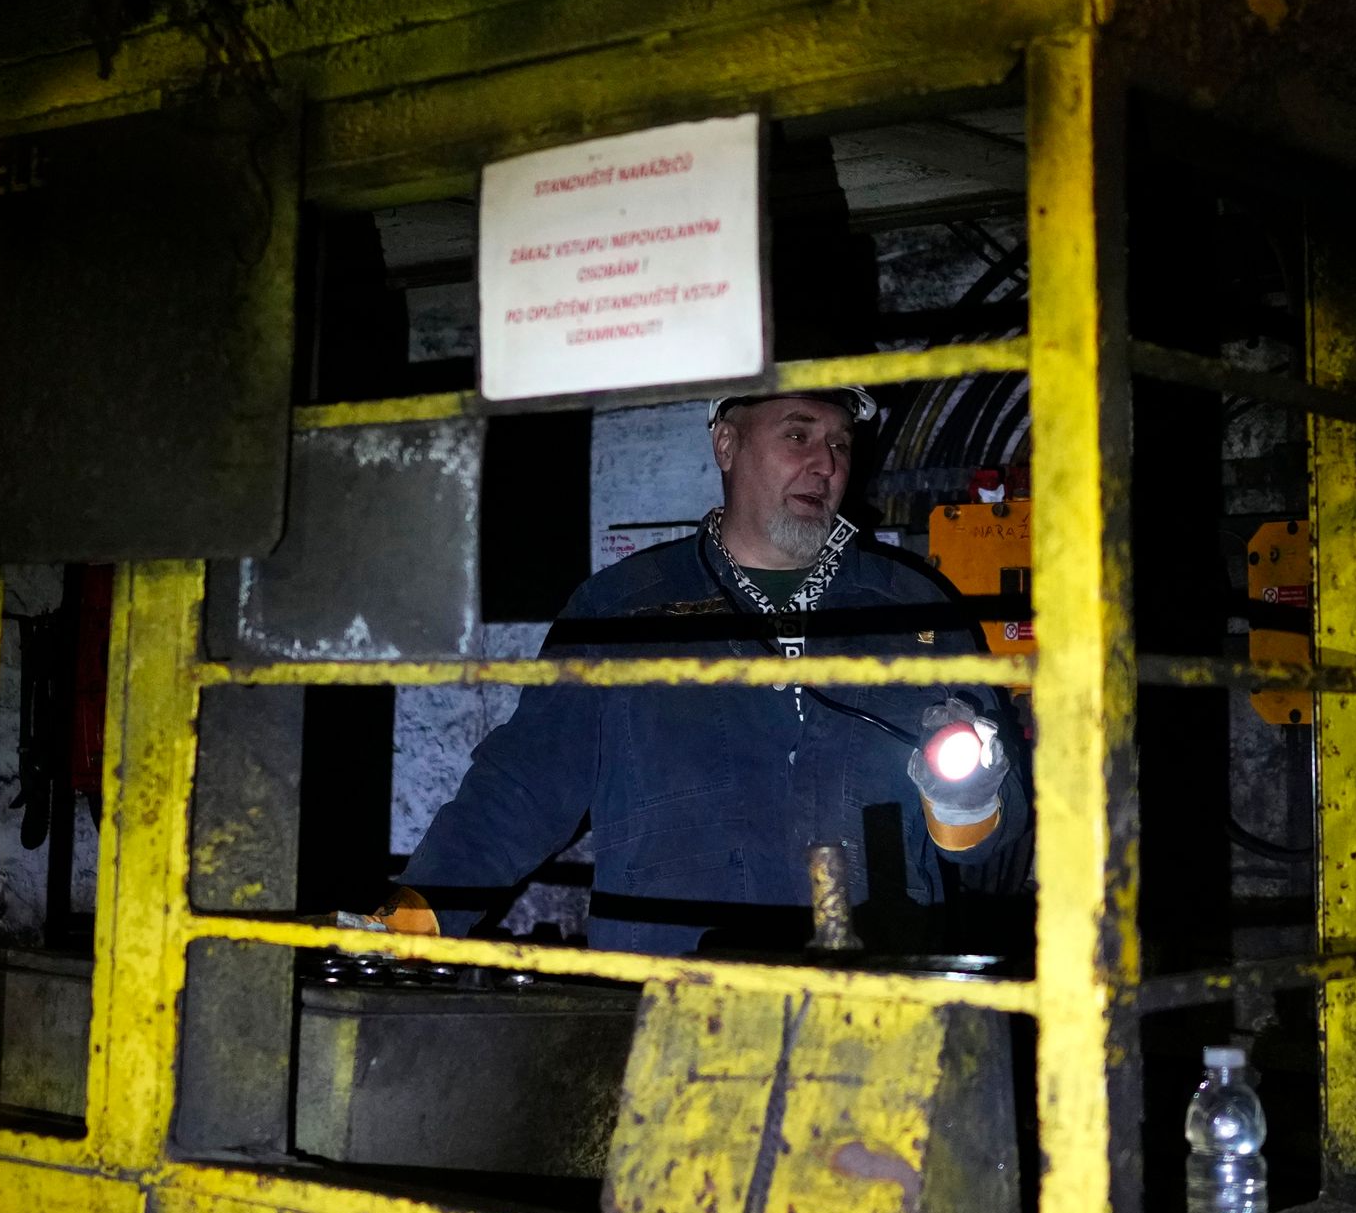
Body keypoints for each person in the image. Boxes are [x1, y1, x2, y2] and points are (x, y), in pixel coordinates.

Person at [384, 388, 1028, 955]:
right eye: (798, 434)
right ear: (727, 444)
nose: (826, 463)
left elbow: (991, 842)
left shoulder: (917, 608)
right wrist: (423, 912)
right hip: (674, 999)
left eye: (839, 441)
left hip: (877, 995)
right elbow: (524, 787)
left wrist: (964, 797)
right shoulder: (624, 609)